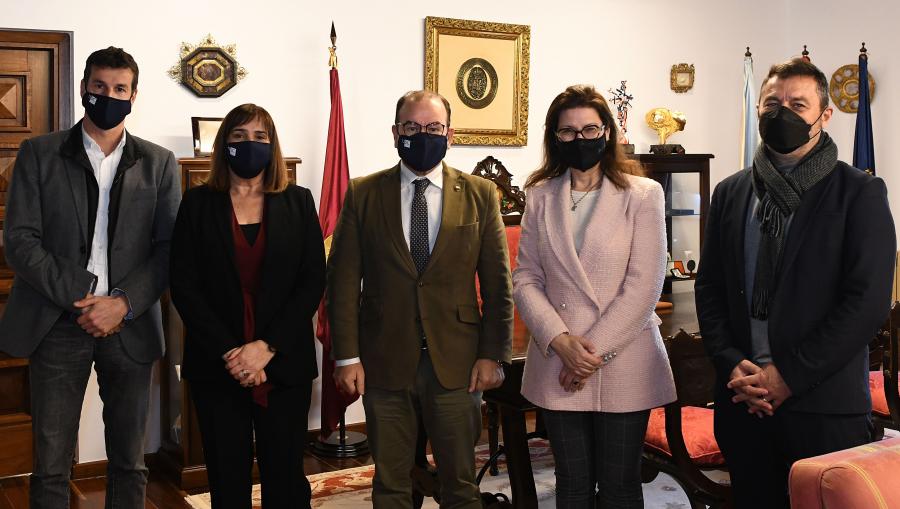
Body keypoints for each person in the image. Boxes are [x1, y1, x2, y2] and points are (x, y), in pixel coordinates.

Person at [696, 58, 896, 508]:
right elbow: (710, 289)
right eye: (772, 104)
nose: (781, 113)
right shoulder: (730, 192)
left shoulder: (859, 193)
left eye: (797, 104)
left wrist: (788, 377)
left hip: (823, 405)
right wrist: (731, 363)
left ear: (824, 115)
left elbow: (865, 303)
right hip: (742, 400)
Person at [0, 46, 180, 508]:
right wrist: (80, 295)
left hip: (129, 325)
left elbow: (169, 249)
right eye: (100, 86)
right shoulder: (39, 153)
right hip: (57, 323)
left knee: (130, 463)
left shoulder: (159, 162)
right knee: (51, 466)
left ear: (134, 96)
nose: (109, 96)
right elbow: (19, 240)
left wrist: (121, 303)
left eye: (120, 89)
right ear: (84, 88)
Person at [327, 90, 513, 508]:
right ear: (396, 133)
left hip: (458, 363)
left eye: (433, 128)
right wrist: (346, 357)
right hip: (384, 360)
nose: (422, 135)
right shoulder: (363, 193)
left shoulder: (481, 194)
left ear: (450, 134)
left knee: (460, 486)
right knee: (391, 485)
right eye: (412, 127)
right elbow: (342, 283)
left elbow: (499, 285)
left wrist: (493, 355)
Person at [513, 84, 676, 508]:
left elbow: (644, 285)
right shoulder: (540, 195)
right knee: (571, 484)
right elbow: (526, 278)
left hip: (624, 357)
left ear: (607, 132)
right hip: (558, 359)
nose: (579, 139)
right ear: (554, 138)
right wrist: (560, 341)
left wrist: (589, 355)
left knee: (620, 486)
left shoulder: (644, 194)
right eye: (567, 132)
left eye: (589, 129)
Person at [169, 104, 325, 509]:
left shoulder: (298, 201)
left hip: (284, 363)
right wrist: (232, 353)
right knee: (227, 481)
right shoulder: (197, 203)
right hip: (218, 365)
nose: (249, 144)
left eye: (260, 137)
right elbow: (184, 286)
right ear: (224, 144)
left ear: (272, 146)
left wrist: (266, 348)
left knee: (286, 480)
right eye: (238, 136)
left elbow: (312, 282)